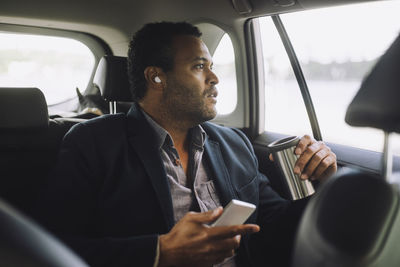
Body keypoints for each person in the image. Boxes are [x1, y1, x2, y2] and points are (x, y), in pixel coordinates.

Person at [39, 22, 337, 267]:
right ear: (156, 77)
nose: (215, 78)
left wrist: (327, 182)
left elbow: (275, 225)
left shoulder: (234, 144)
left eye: (211, 66)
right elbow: (50, 248)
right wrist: (159, 252)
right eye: (199, 66)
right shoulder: (92, 144)